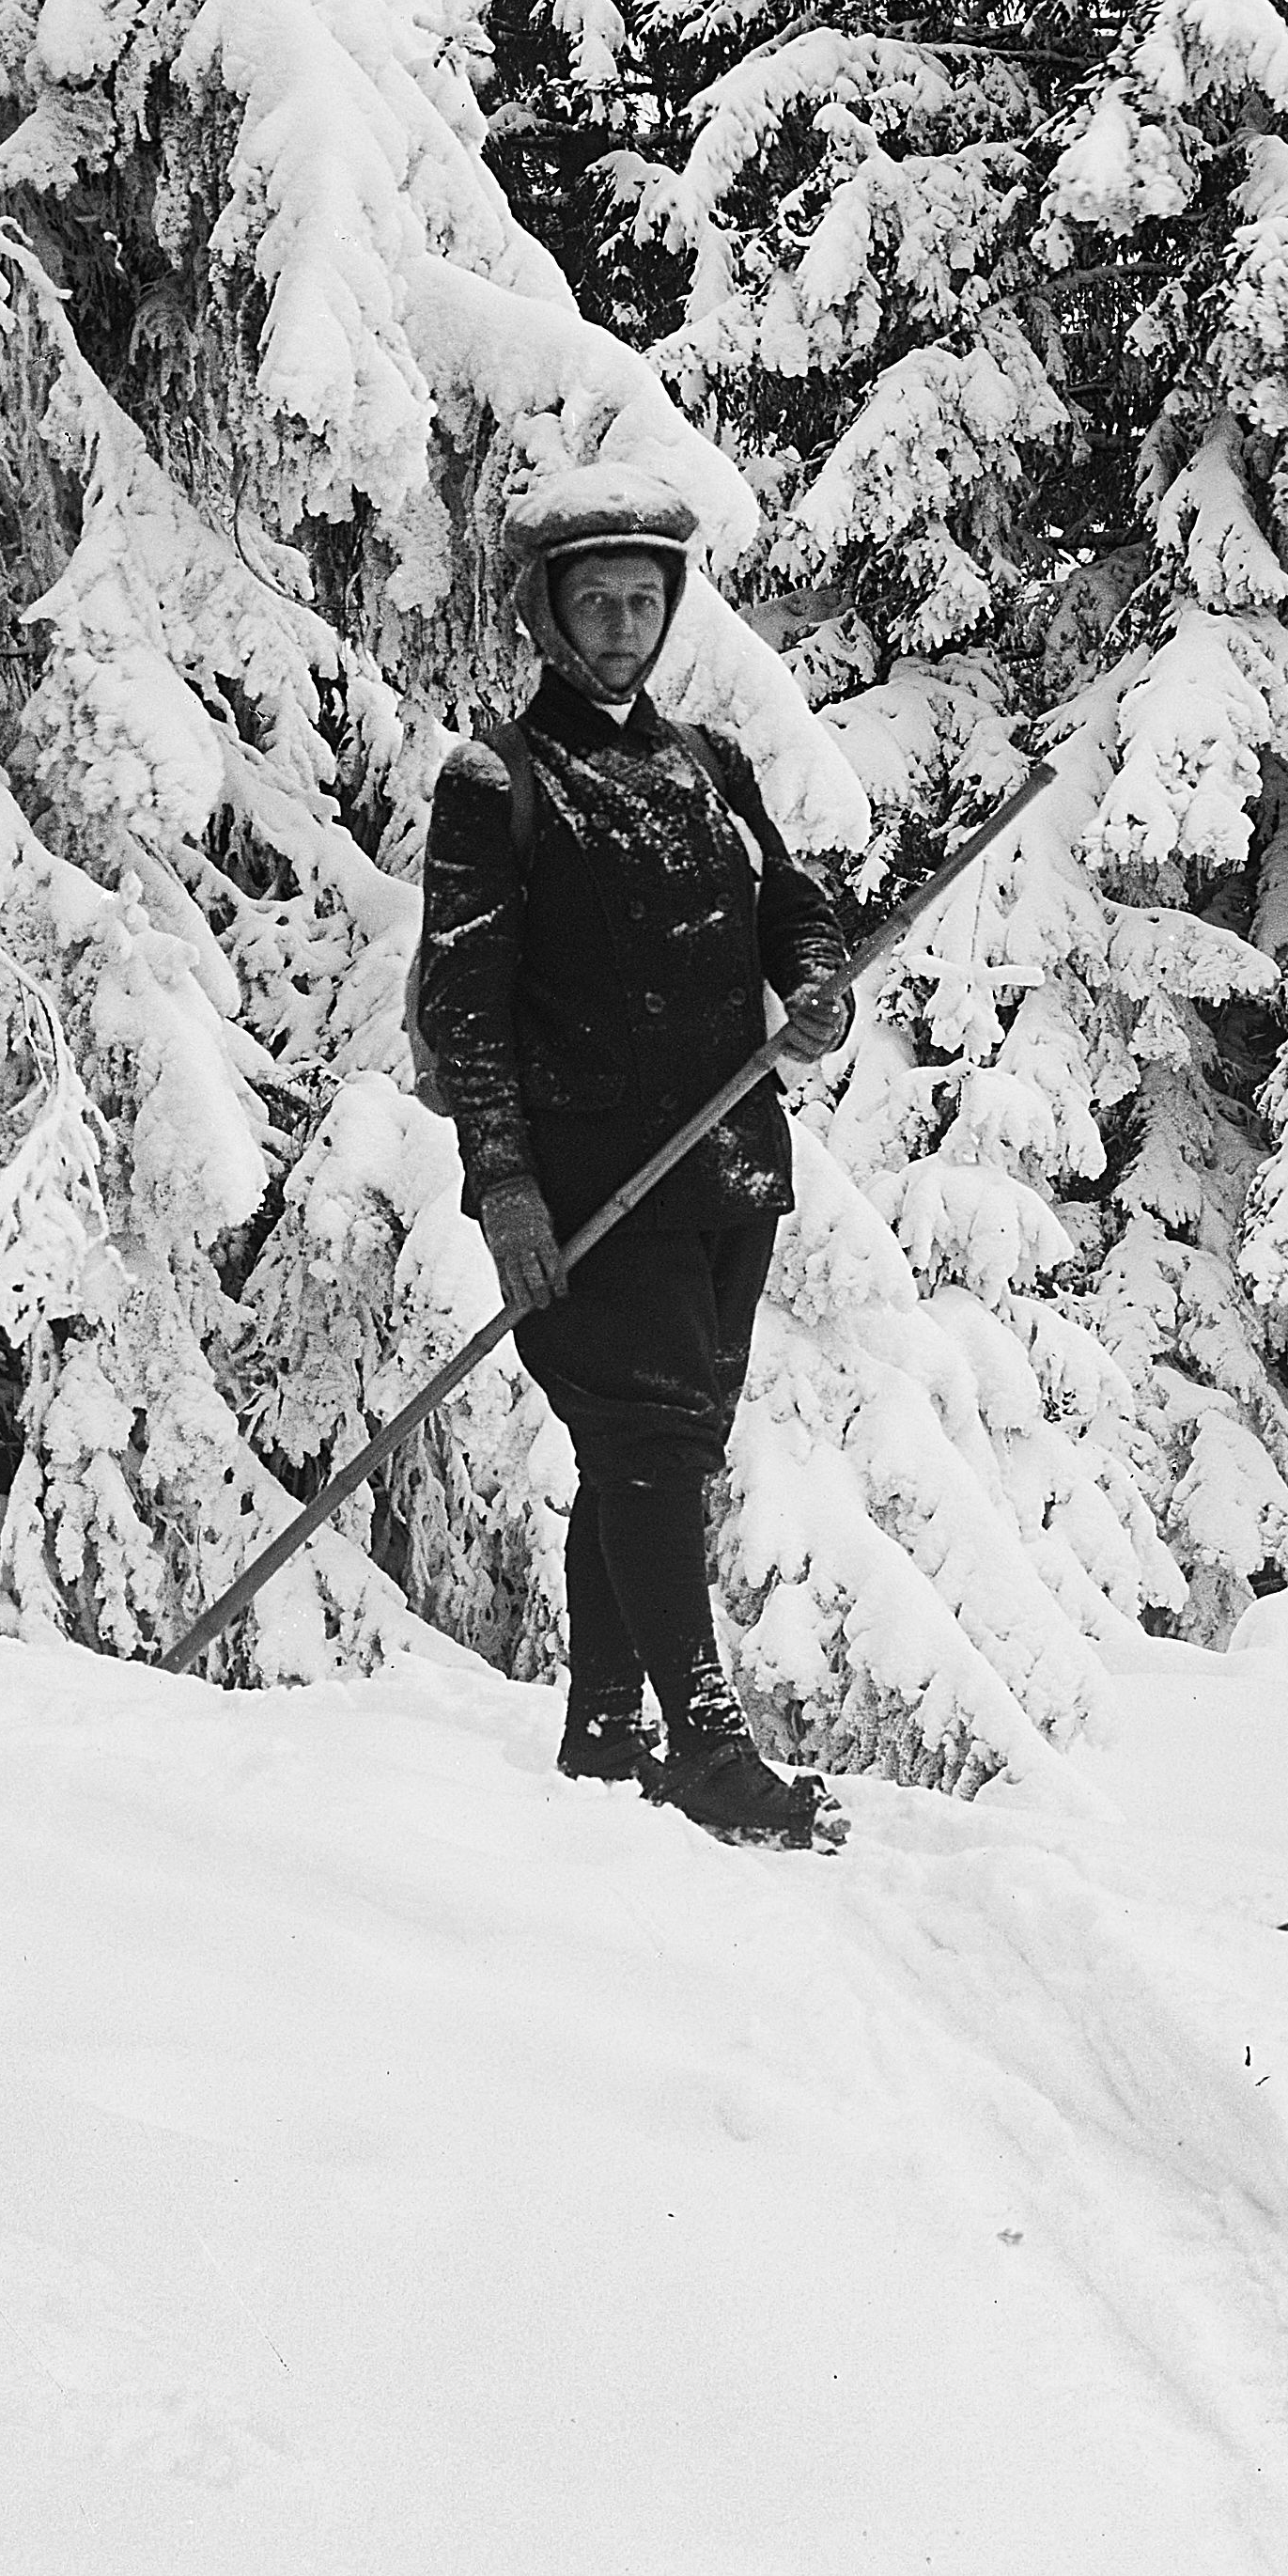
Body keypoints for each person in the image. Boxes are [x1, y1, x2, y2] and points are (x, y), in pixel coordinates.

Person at [410, 465, 856, 1848]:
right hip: (594, 1188)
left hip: (728, 1175)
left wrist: (817, 983)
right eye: (594, 601)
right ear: (549, 615)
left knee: (654, 1449)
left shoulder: (707, 765)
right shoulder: (498, 782)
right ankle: (707, 1744)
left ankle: (606, 1728)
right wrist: (505, 1187)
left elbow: (792, 905)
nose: (618, 626)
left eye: (641, 601)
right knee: (648, 1443)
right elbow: (465, 1007)